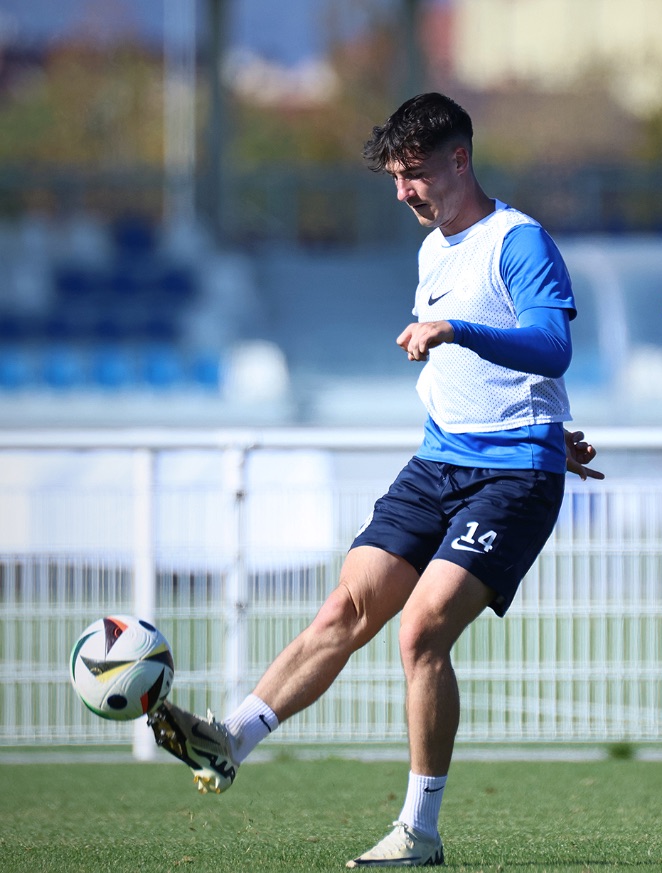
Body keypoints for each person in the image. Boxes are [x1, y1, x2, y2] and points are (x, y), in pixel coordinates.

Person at [145, 92, 602, 869]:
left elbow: (551, 345)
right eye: (393, 176)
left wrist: (460, 334)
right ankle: (230, 740)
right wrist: (538, 414)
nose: (402, 192)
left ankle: (419, 830)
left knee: (420, 631)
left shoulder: (518, 241)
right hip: (437, 461)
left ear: (460, 159)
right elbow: (483, 380)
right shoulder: (431, 252)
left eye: (413, 174)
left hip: (513, 476)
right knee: (345, 606)